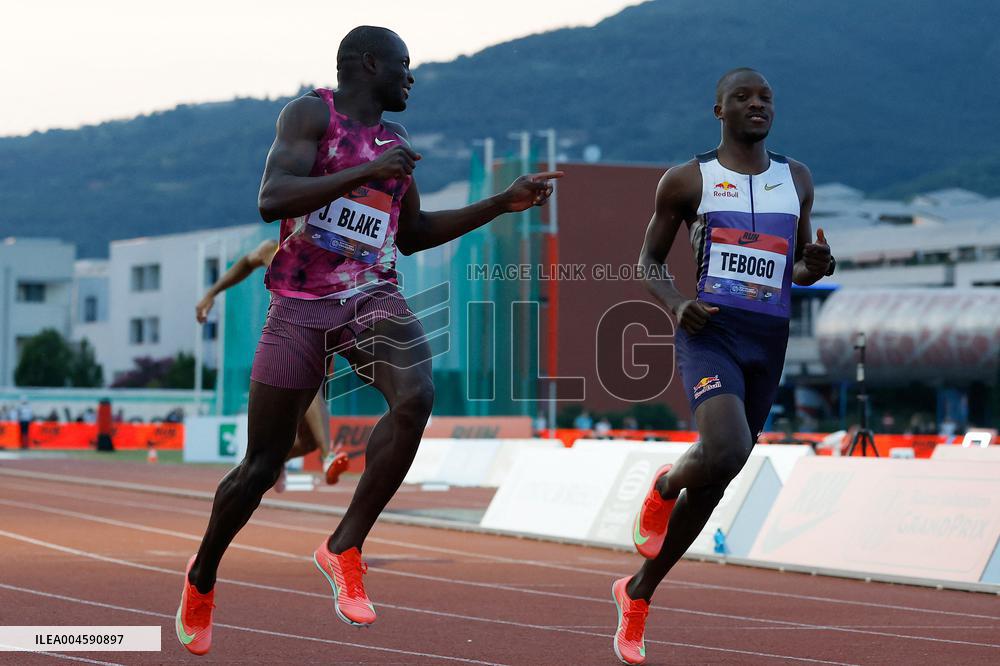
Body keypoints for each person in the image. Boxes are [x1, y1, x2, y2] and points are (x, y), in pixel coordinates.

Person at [176, 25, 561, 656]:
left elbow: (410, 235)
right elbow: (272, 199)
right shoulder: (310, 114)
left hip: (371, 295)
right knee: (261, 466)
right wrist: (367, 168)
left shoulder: (397, 142)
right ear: (369, 64)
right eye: (405, 66)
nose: (412, 78)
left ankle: (344, 546)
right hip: (298, 307)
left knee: (414, 397)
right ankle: (201, 576)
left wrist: (502, 203)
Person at [612, 68, 834, 665]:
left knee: (714, 483)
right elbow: (648, 262)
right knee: (728, 449)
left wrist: (817, 264)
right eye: (743, 97)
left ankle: (637, 594)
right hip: (710, 331)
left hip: (770, 340)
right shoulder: (688, 180)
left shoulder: (797, 179)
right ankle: (662, 486)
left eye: (765, 97)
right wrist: (678, 303)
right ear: (719, 111)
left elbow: (799, 271)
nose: (757, 105)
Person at [194, 238, 349, 491]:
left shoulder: (333, 247)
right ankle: (328, 456)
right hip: (285, 338)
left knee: (306, 441)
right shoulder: (274, 249)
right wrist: (212, 293)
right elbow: (245, 263)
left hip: (322, 339)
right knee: (308, 382)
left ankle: (279, 460)